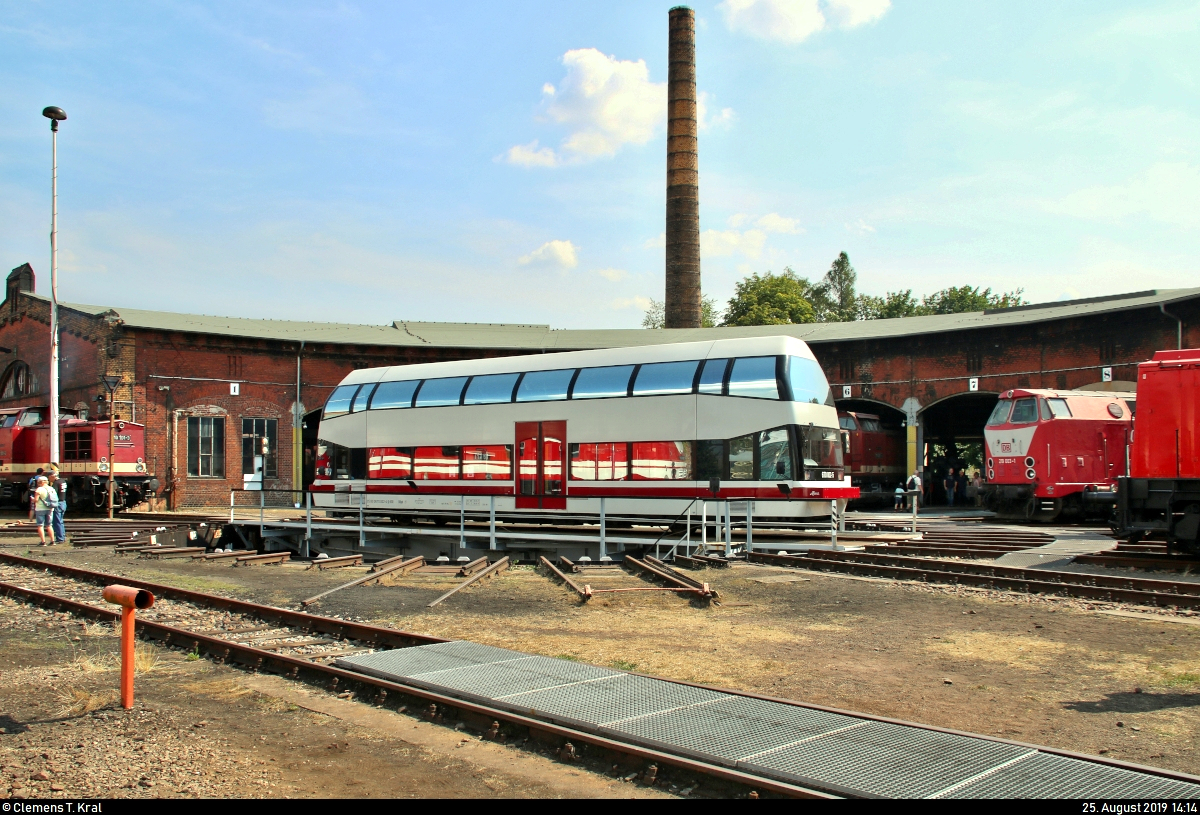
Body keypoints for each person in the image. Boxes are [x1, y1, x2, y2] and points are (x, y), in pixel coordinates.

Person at [32, 475, 58, 545]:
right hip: (50, 508)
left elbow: (36, 500)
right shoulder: (51, 489)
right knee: (49, 525)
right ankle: (53, 541)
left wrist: (32, 499)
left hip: (40, 509)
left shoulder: (39, 489)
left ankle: (43, 542)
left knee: (40, 525)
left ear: (40, 482)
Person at [48, 463, 67, 545]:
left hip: (58, 504)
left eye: (49, 477)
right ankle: (62, 536)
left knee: (57, 522)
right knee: (61, 521)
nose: (49, 480)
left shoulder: (56, 483)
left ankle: (60, 538)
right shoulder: (63, 481)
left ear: (52, 476)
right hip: (63, 502)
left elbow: (54, 494)